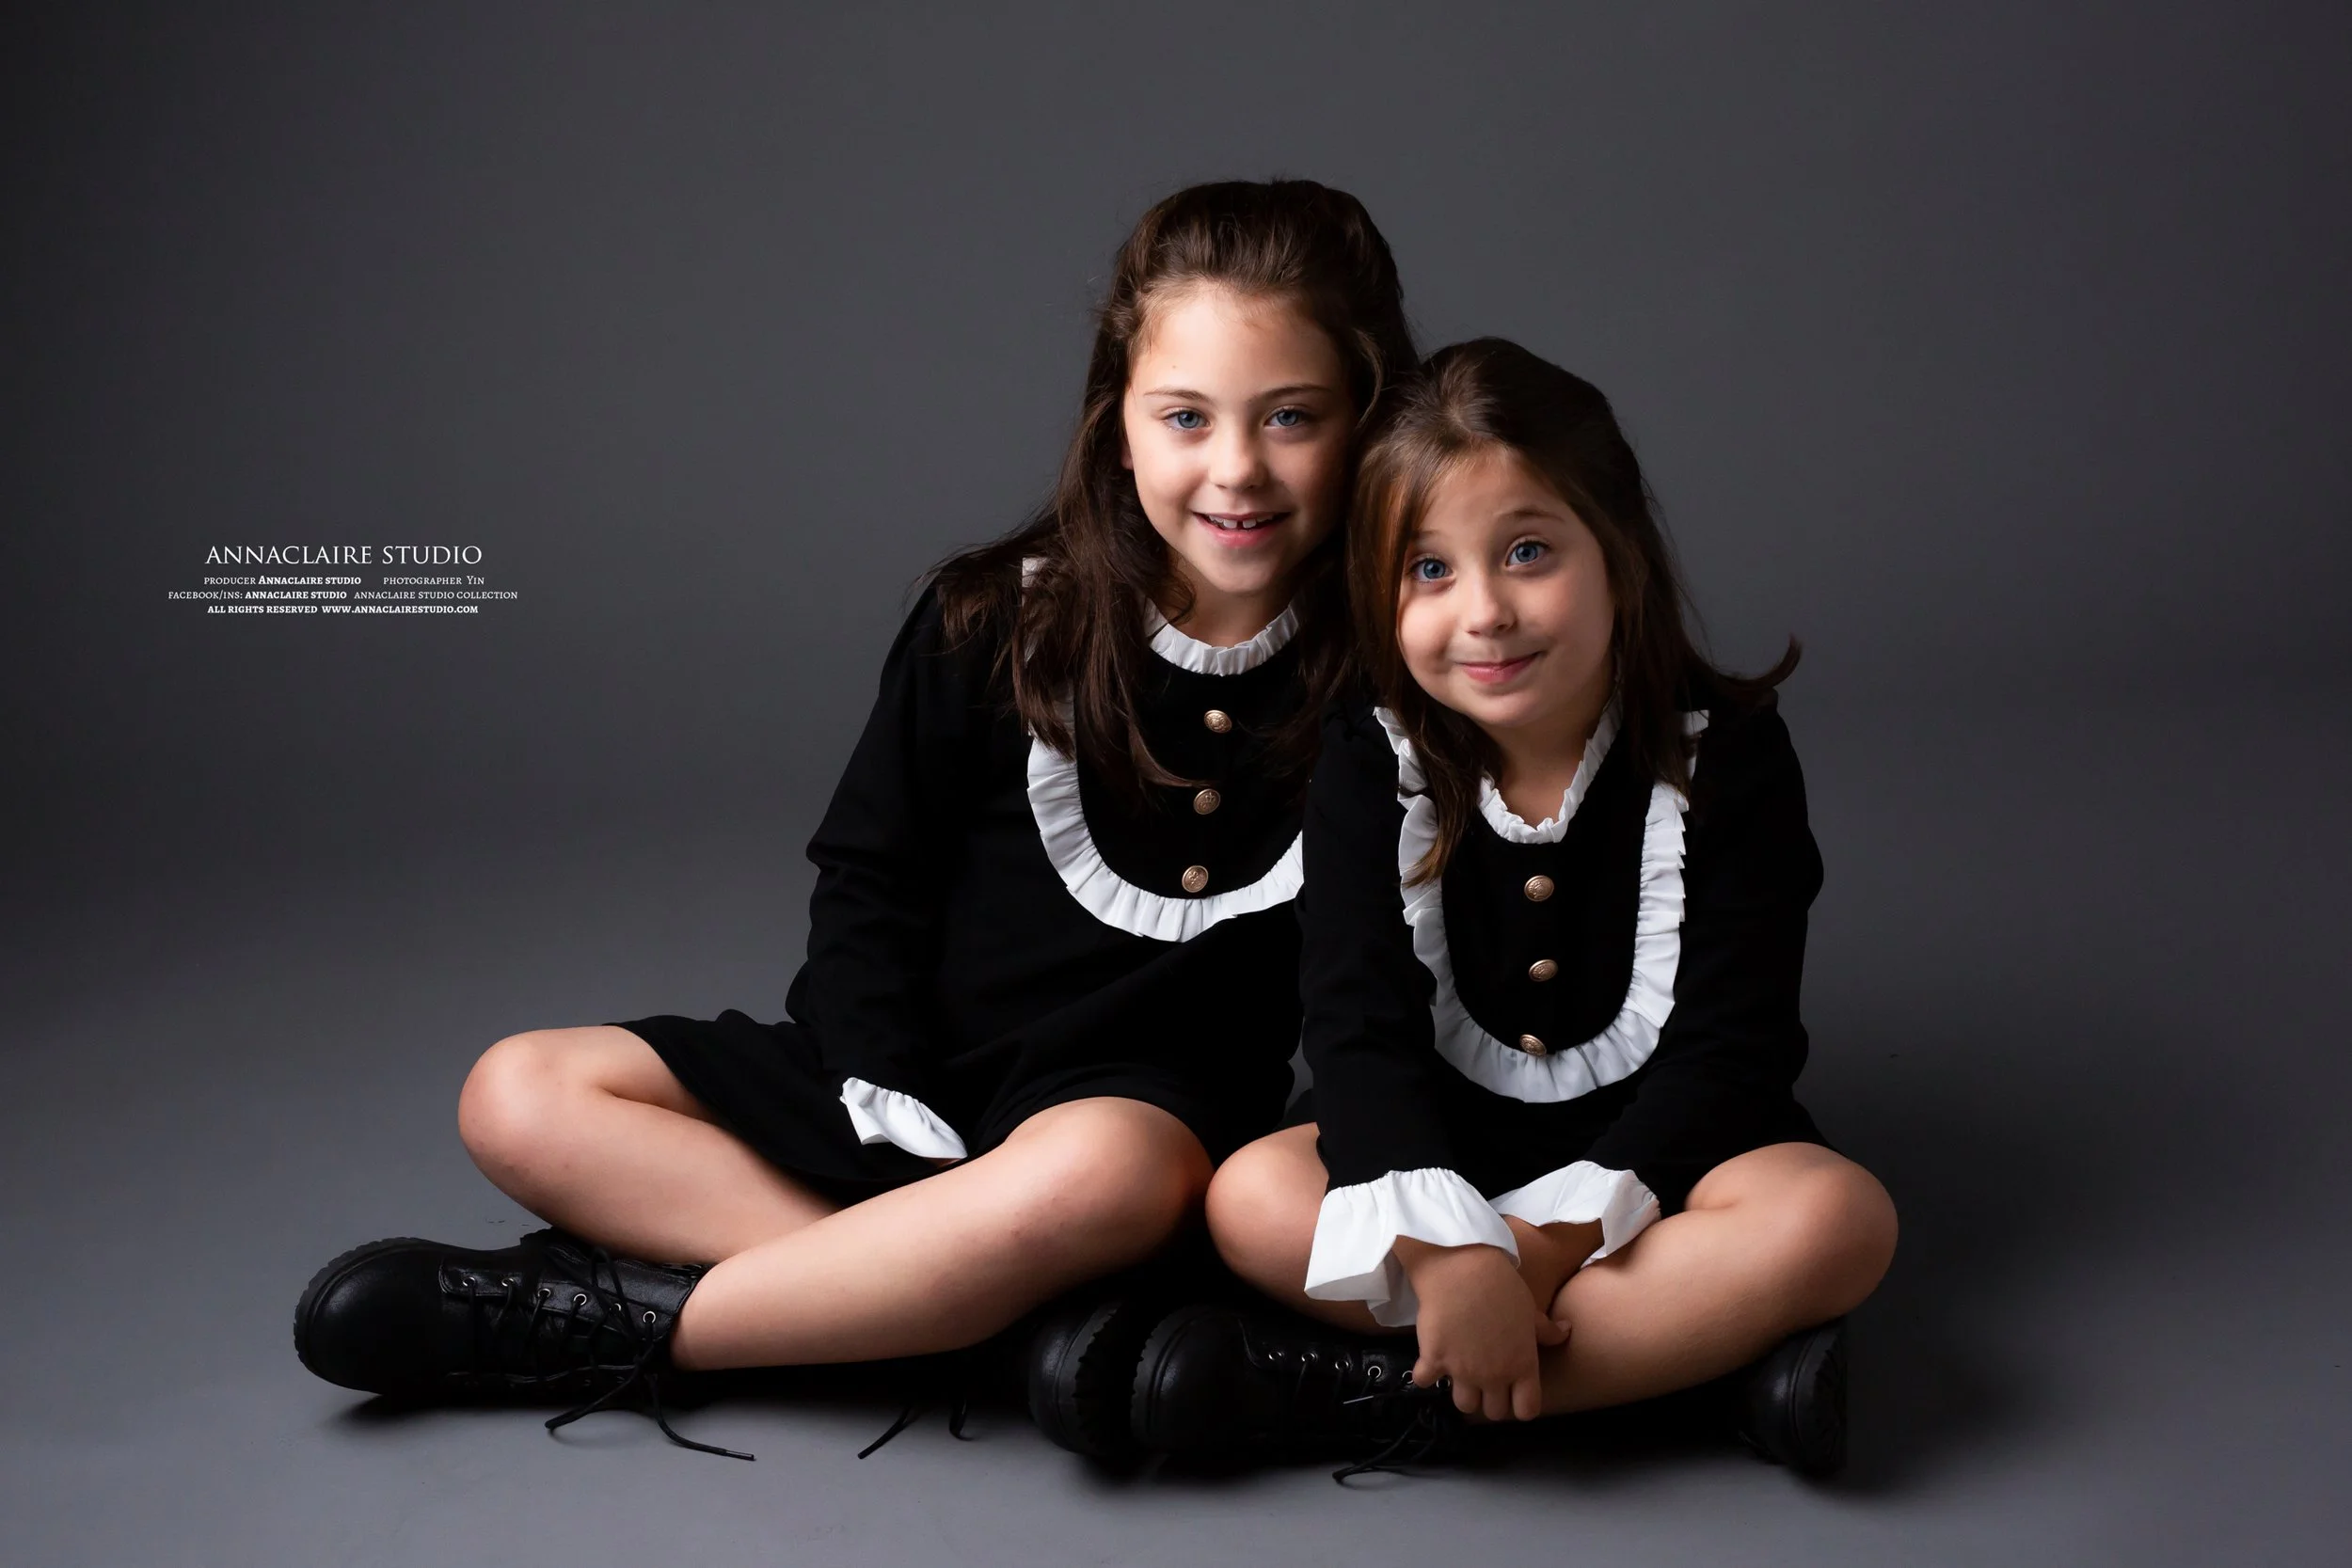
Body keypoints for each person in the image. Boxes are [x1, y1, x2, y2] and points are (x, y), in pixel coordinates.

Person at [290, 180, 1419, 1460]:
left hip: (1118, 1124)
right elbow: (869, 873)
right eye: (1185, 417)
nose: (1236, 467)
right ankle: (968, 1313)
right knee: (519, 1090)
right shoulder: (995, 618)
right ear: (1117, 428)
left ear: (1367, 422)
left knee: (1099, 1172)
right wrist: (874, 1079)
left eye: (1291, 418)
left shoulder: (1391, 675)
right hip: (898, 1082)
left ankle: (635, 1325)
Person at [1120, 339, 1898, 1479]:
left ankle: (1352, 1400)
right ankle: (1697, 1376)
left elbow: (1736, 1048)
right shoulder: (1362, 761)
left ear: (1618, 551)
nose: (1483, 611)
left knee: (1837, 1218)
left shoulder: (1726, 761)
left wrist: (1542, 1248)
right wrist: (1447, 1251)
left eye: (1527, 550)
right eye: (1427, 571)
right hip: (1443, 1149)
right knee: (1250, 1195)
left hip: (1664, 1169)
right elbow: (1354, 1027)